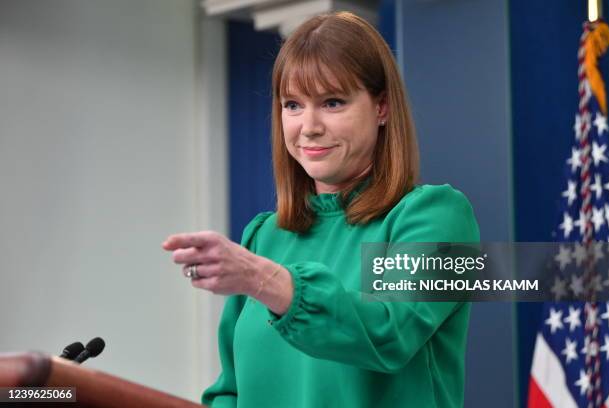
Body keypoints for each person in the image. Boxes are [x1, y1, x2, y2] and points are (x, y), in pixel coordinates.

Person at [162, 11, 479, 408]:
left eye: (332, 102)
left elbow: (390, 333)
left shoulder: (439, 216)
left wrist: (265, 281)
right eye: (293, 105)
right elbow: (231, 389)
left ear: (381, 108)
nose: (308, 126)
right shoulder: (264, 236)